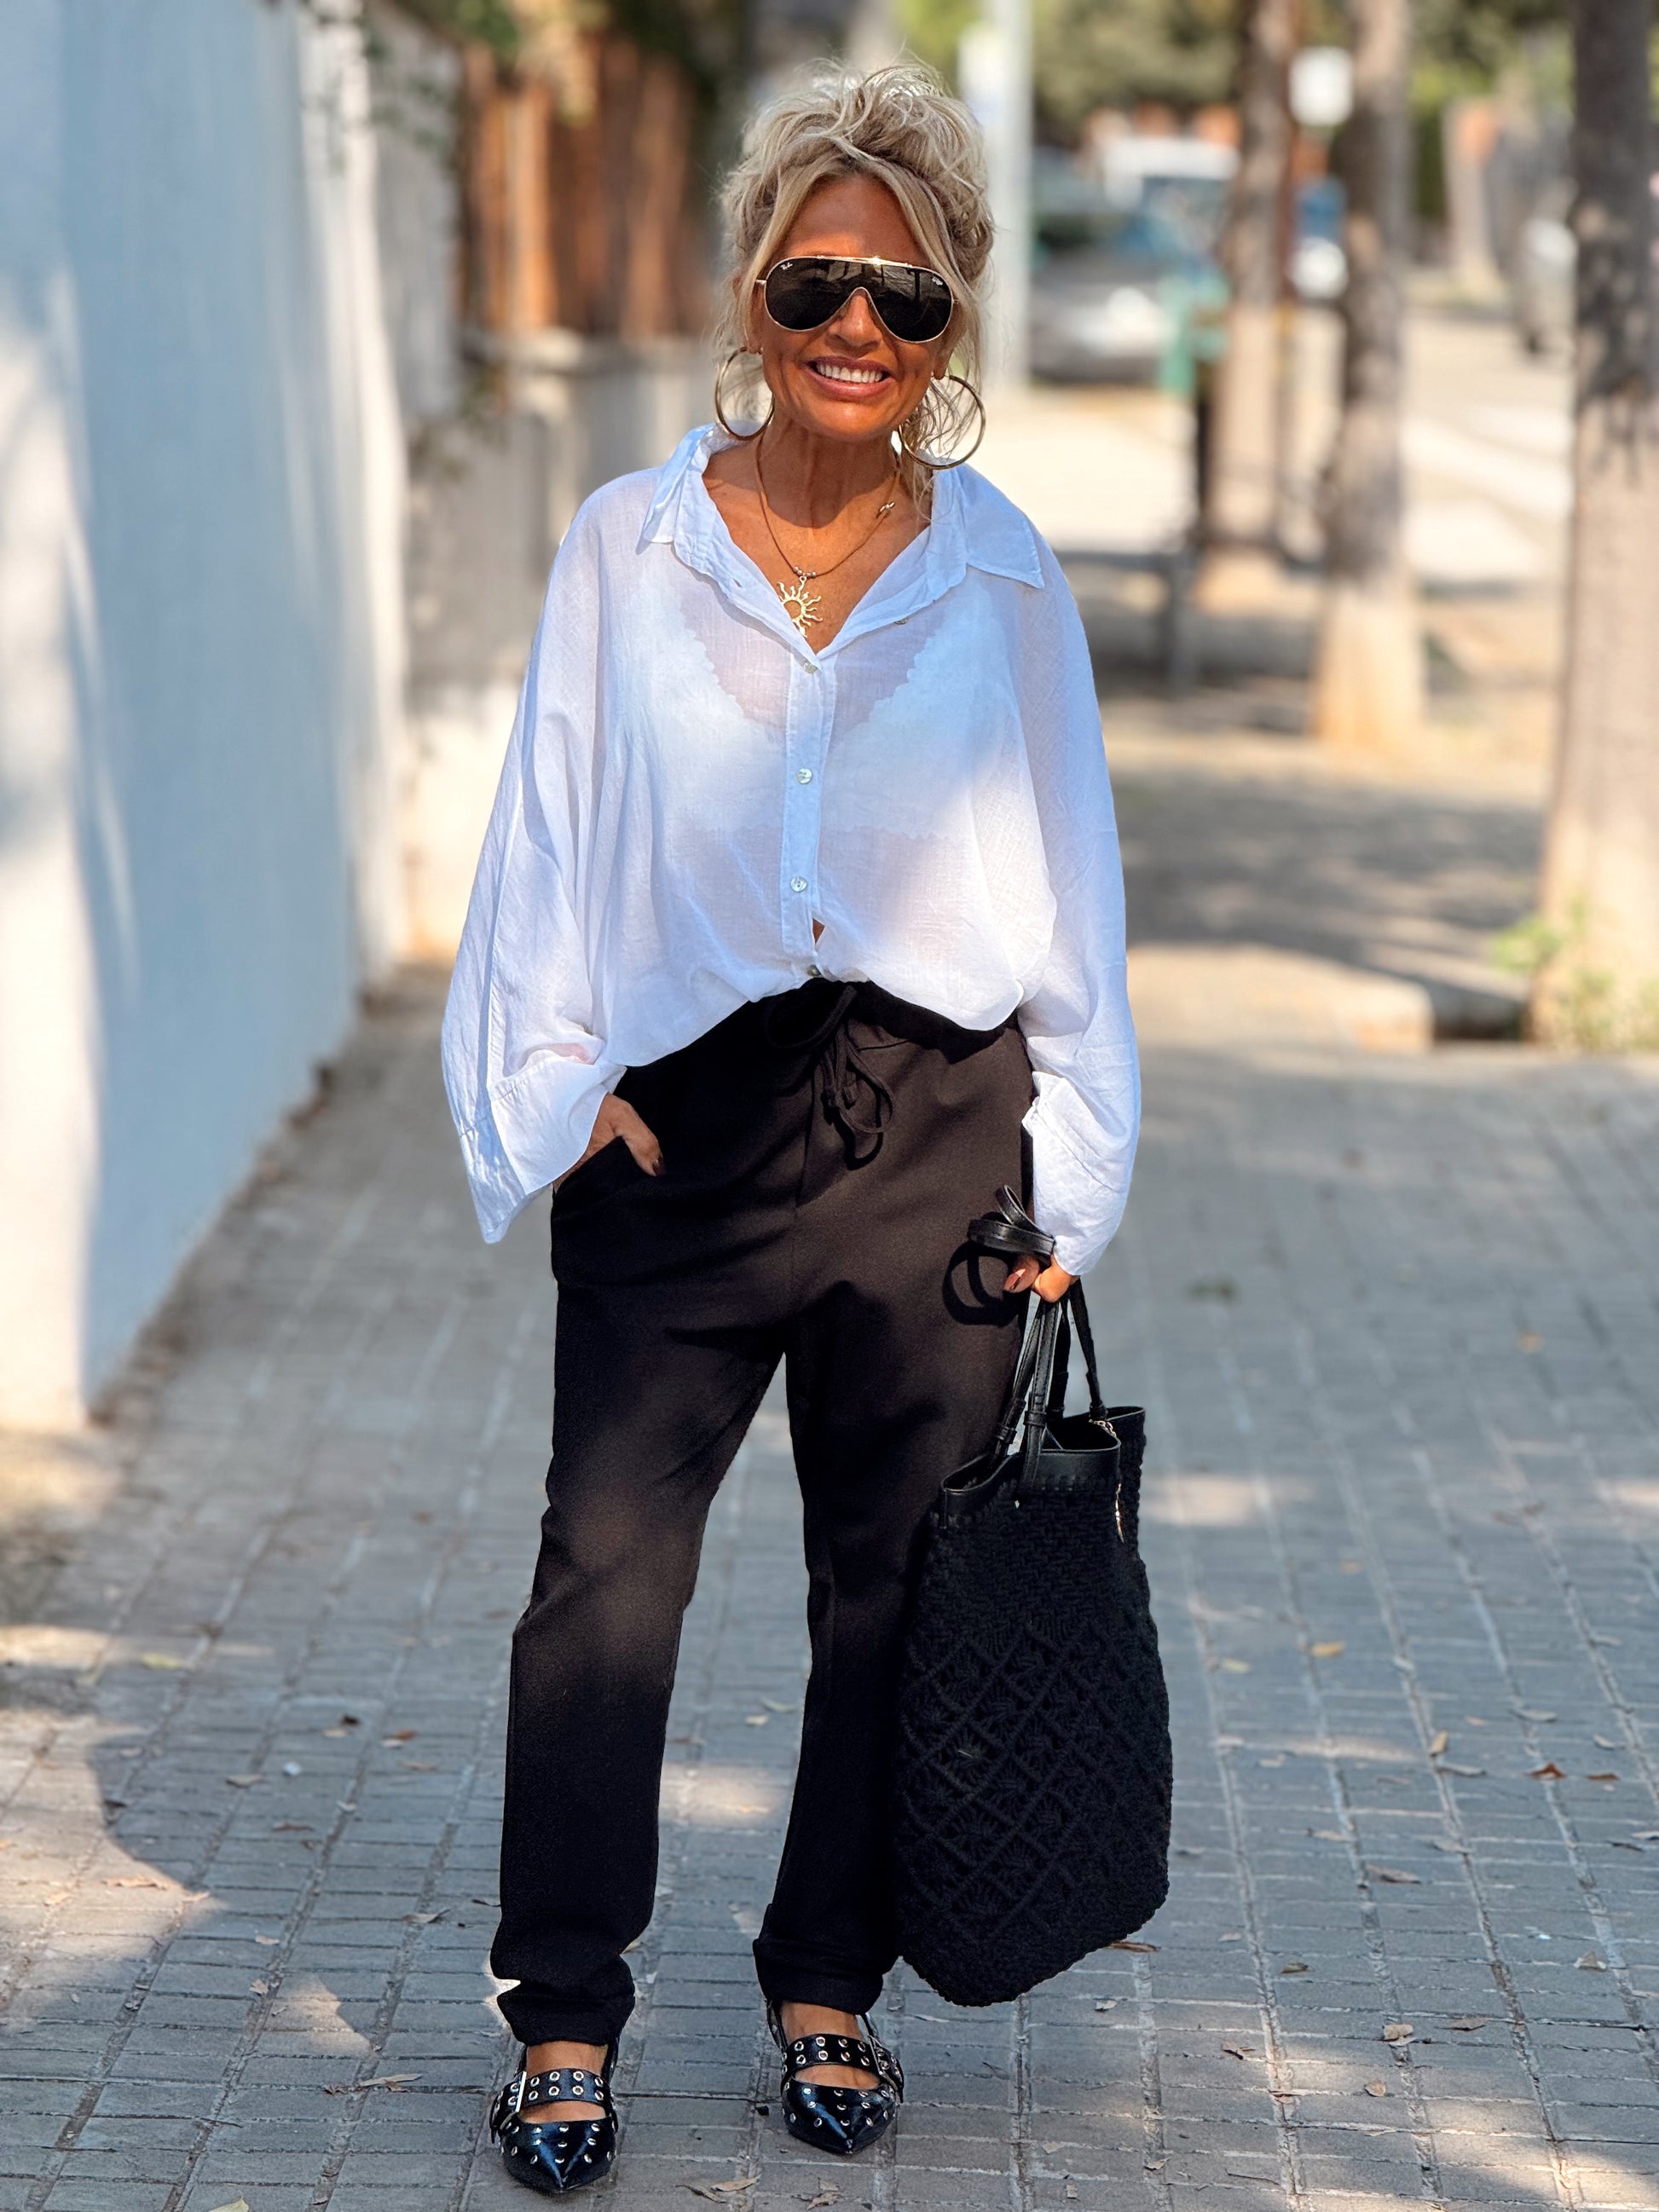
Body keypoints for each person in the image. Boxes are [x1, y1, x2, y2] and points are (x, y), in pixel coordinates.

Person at [441, 62, 1139, 2198]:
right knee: (599, 1576)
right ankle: (564, 2007)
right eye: (819, 279)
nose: (857, 325)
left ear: (949, 326)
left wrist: (1074, 1162)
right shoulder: (628, 544)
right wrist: (555, 1088)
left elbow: (1074, 870)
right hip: (686, 1128)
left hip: (938, 1128)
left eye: (904, 296)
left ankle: (829, 1979)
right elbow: (548, 822)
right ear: (754, 287)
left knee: (893, 1588)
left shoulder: (1001, 574)